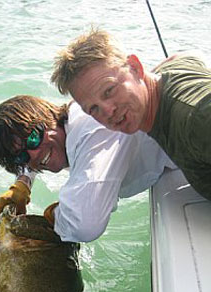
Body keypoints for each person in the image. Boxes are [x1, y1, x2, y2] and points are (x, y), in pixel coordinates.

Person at [0, 95, 175, 243]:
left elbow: (85, 225)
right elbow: (33, 151)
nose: (34, 155)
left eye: (33, 138)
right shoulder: (72, 117)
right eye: (22, 156)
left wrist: (49, 219)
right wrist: (22, 184)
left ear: (49, 116)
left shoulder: (88, 133)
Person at [51, 28, 211, 201]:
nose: (108, 111)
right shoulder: (172, 73)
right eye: (93, 108)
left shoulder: (195, 120)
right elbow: (190, 55)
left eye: (109, 90)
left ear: (135, 67)